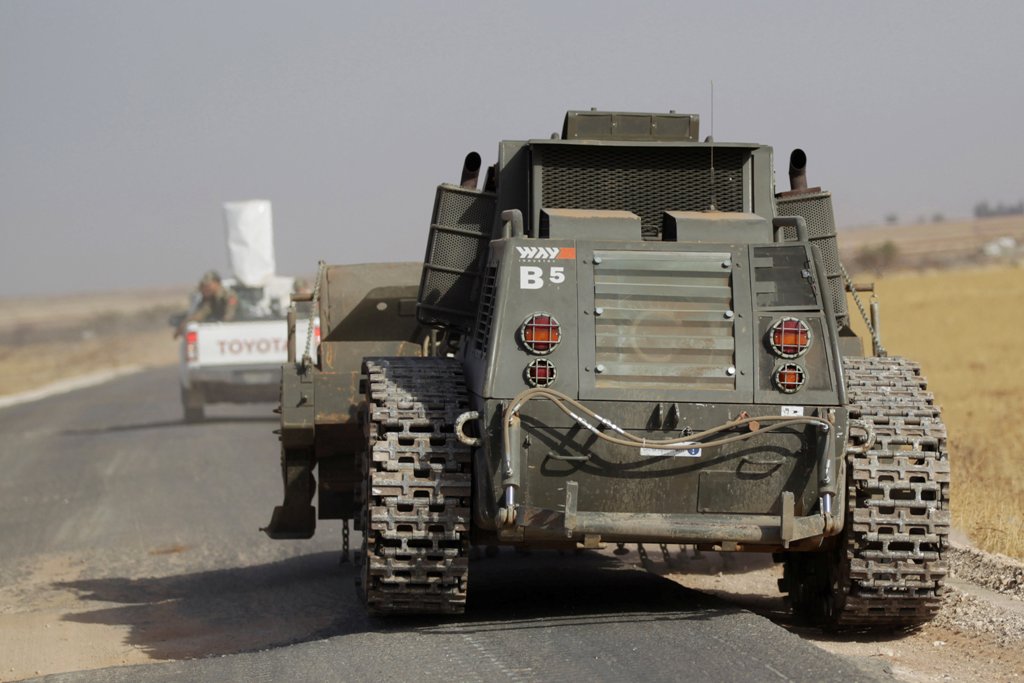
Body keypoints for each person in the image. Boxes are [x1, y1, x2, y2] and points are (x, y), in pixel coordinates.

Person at [173, 270, 239, 338]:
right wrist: (183, 324)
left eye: (208, 285)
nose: (206, 288)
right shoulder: (211, 301)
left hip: (233, 332)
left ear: (217, 283)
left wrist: (224, 325)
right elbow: (201, 314)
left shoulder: (228, 296)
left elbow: (230, 314)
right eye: (205, 286)